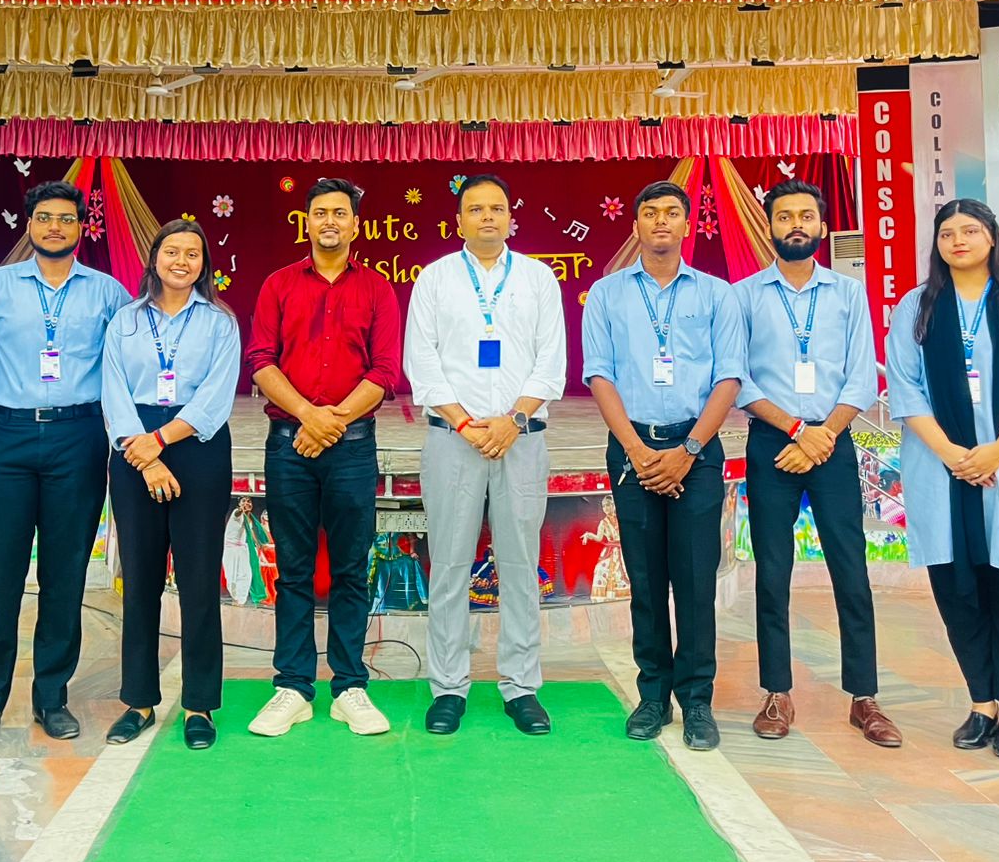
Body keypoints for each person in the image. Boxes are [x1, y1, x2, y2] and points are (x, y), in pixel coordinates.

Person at [885, 198, 999, 760]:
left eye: (969, 230)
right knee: (959, 593)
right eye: (946, 233)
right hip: (941, 472)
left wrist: (994, 455)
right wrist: (953, 455)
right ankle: (982, 704)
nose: (957, 240)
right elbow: (906, 390)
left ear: (991, 238)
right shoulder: (917, 307)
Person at [0, 181, 130, 749]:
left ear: (82, 227)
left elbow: (122, 367)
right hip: (5, 434)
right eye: (45, 217)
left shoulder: (107, 293)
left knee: (65, 573)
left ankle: (51, 697)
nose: (55, 227)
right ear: (29, 224)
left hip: (78, 436)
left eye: (67, 219)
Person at [733, 179, 900, 747]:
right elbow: (738, 379)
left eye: (806, 215)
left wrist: (823, 433)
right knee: (772, 571)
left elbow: (862, 374)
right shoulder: (745, 296)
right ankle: (776, 693)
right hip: (773, 444)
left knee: (850, 571)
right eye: (784, 216)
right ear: (770, 227)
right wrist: (797, 430)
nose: (796, 225)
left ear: (822, 227)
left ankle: (865, 697)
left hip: (833, 442)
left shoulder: (848, 294)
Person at [581, 180, 744, 750]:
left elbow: (729, 377)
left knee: (695, 583)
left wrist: (688, 452)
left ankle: (697, 702)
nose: (660, 222)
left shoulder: (717, 295)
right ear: (636, 226)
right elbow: (599, 374)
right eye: (649, 213)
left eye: (672, 213)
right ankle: (653, 696)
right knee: (646, 582)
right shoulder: (607, 294)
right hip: (634, 450)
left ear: (686, 225)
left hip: (695, 451)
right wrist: (636, 449)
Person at [404, 174, 566, 737]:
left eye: (497, 208)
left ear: (511, 218)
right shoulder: (435, 278)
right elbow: (422, 362)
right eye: (476, 209)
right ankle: (448, 687)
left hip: (522, 438)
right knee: (450, 565)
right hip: (454, 440)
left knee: (520, 565)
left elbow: (552, 362)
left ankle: (521, 686)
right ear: (459, 221)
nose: (488, 217)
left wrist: (512, 421)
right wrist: (466, 423)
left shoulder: (539, 278)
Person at [245, 178, 403, 739]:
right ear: (306, 222)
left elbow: (385, 371)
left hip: (352, 449)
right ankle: (292, 687)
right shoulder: (278, 284)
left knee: (350, 568)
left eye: (340, 212)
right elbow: (261, 360)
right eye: (320, 213)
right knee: (293, 569)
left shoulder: (378, 289)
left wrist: (329, 422)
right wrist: (308, 417)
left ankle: (350, 687)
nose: (329, 221)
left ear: (356, 224)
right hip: (289, 446)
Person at [102, 218, 242, 751]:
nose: (181, 262)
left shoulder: (220, 323)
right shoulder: (125, 321)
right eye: (171, 251)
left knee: (199, 580)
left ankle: (198, 705)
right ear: (154, 258)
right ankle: (138, 701)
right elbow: (113, 391)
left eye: (192, 254)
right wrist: (142, 452)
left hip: (197, 446)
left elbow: (215, 398)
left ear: (204, 265)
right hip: (133, 446)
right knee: (139, 579)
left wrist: (160, 442)